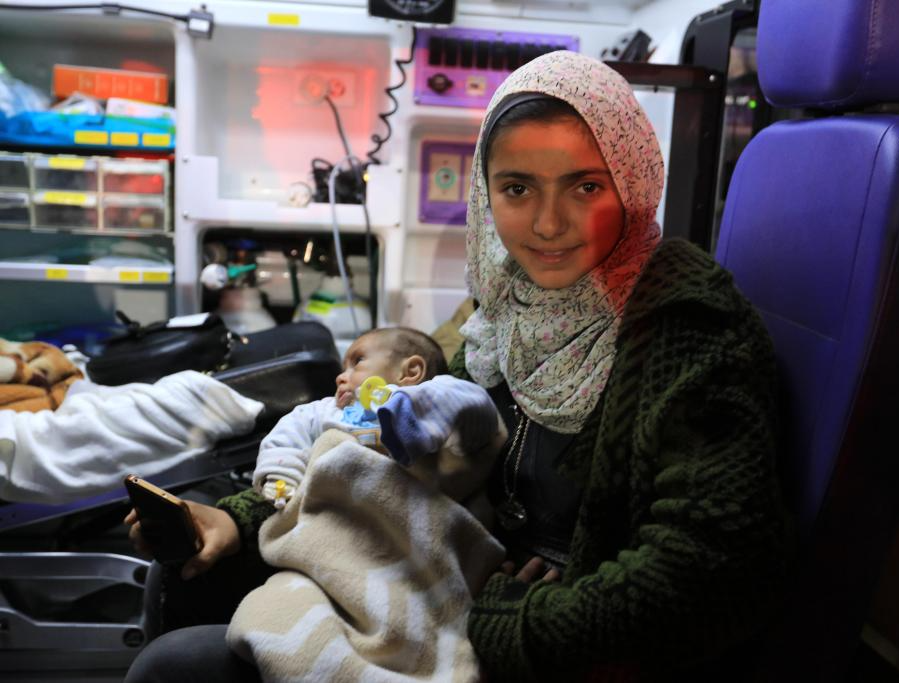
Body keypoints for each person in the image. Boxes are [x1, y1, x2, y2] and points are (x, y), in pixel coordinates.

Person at [125, 50, 791, 682]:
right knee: (191, 574)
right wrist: (243, 516)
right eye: (517, 188)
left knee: (175, 667)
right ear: (485, 192)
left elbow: (717, 571)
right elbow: (393, 443)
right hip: (459, 574)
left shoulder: (687, 325)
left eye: (586, 186)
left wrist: (512, 624)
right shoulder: (505, 306)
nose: (549, 223)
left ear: (633, 178)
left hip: (558, 635)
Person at [251, 325, 503, 508]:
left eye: (358, 361)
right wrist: (282, 476)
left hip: (411, 509)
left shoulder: (433, 401)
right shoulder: (325, 411)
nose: (340, 377)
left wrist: (405, 406)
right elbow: (288, 434)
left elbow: (474, 407)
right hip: (341, 511)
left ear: (410, 371)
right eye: (343, 368)